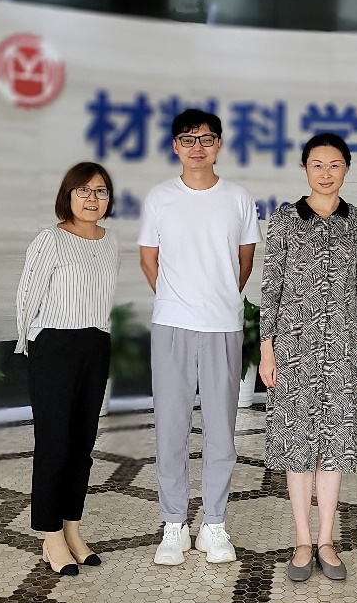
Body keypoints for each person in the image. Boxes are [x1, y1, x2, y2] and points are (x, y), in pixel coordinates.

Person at [138, 108, 261, 566]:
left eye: (206, 139)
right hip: (172, 324)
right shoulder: (160, 198)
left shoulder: (238, 198)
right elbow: (149, 259)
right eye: (188, 139)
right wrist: (177, 299)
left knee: (221, 431)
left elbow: (244, 260)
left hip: (223, 326)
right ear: (175, 146)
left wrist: (221, 297)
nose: (197, 147)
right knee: (171, 427)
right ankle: (174, 524)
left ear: (219, 145)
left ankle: (213, 524)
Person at [260, 133, 357, 582]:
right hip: (293, 348)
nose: (326, 173)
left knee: (334, 445)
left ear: (346, 168)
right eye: (317, 164)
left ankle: (327, 539)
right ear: (305, 168)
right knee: (297, 445)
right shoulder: (285, 219)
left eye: (334, 165)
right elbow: (271, 286)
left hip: (344, 349)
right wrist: (267, 348)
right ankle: (303, 540)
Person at [15, 161, 120, 577]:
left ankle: (73, 529)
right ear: (68, 196)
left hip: (96, 345)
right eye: (83, 190)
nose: (92, 198)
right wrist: (32, 347)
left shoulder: (111, 243)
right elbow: (27, 298)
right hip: (54, 347)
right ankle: (51, 535)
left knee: (82, 447)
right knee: (54, 445)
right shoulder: (50, 240)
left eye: (100, 191)